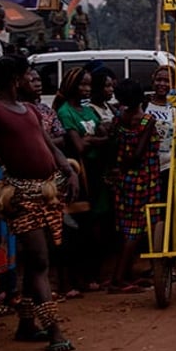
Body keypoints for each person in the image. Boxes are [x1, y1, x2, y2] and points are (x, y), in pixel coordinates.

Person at [0, 55, 79, 351]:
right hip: (19, 195)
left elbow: (47, 144)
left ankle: (27, 324)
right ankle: (54, 329)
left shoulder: (29, 109)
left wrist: (69, 171)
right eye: (27, 75)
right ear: (16, 78)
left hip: (47, 192)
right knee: (40, 260)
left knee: (36, 261)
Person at [53, 67, 109, 295]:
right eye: (82, 85)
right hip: (80, 174)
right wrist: (98, 140)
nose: (86, 89)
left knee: (95, 227)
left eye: (88, 85)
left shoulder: (87, 110)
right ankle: (74, 280)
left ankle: (90, 276)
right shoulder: (66, 111)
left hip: (97, 173)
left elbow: (104, 136)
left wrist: (92, 140)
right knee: (77, 229)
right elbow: (78, 146)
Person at [107, 79, 163, 291]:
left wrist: (119, 170)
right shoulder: (146, 121)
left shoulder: (119, 119)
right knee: (135, 231)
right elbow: (139, 153)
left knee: (127, 228)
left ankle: (127, 274)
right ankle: (118, 279)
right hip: (143, 179)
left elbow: (114, 146)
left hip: (124, 180)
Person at [145, 66, 175, 184]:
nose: (162, 84)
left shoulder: (175, 107)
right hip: (148, 164)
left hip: (169, 165)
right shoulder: (144, 104)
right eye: (159, 80)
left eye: (167, 81)